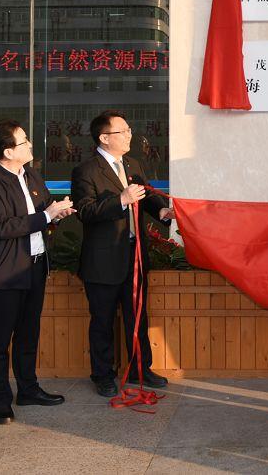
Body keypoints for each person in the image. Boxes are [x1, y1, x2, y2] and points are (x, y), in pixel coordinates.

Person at [0, 119, 75, 424]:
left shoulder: (30, 174)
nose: (30, 144)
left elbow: (42, 211)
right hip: (6, 272)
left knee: (28, 335)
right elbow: (2, 226)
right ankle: (0, 402)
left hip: (34, 266)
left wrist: (56, 214)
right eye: (24, 141)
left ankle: (28, 389)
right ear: (7, 151)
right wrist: (47, 215)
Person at [72, 110, 172, 397]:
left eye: (129, 130)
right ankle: (103, 375)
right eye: (123, 131)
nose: (130, 135)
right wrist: (120, 200)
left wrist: (162, 212)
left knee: (137, 317)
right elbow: (86, 212)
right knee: (102, 321)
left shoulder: (133, 163)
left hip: (134, 256)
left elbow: (147, 197)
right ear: (104, 138)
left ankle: (142, 369)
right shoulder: (86, 171)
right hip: (102, 261)